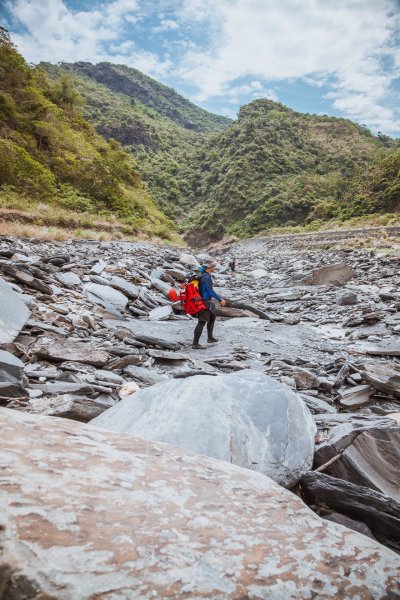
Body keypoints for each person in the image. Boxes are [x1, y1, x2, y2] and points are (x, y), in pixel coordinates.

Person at [192, 257, 226, 349]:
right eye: (214, 265)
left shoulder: (203, 275)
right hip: (204, 302)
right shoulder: (206, 277)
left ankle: (210, 338)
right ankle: (195, 344)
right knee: (202, 322)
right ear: (210, 266)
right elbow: (210, 291)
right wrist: (220, 299)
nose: (215, 267)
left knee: (212, 317)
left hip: (204, 301)